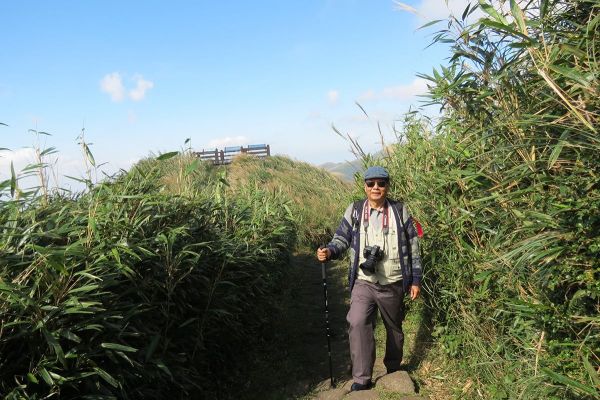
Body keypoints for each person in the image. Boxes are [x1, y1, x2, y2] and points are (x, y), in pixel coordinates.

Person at [316, 166, 422, 392]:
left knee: (394, 327)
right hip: (363, 281)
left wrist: (415, 280)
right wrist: (330, 252)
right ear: (364, 186)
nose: (376, 188)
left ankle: (393, 370)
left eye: (381, 183)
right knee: (357, 321)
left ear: (387, 186)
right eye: (371, 183)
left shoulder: (400, 210)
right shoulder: (354, 210)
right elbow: (341, 239)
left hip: (393, 281)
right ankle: (362, 378)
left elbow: (413, 247)